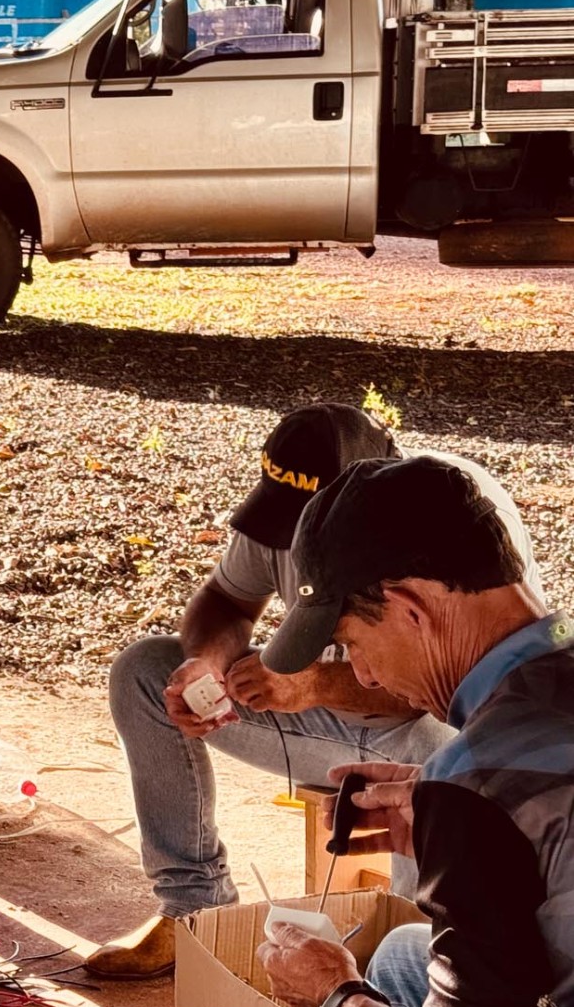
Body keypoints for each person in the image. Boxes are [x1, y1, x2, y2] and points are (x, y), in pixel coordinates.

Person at [60, 455, 574, 1007]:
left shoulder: (475, 782)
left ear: (411, 609)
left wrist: (338, 995)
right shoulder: (549, 685)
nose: (360, 675)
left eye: (356, 645)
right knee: (404, 955)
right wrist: (442, 812)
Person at [87, 404, 542, 977]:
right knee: (145, 671)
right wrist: (209, 663)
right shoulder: (286, 512)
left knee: (443, 762)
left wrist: (319, 684)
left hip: (417, 729)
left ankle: (419, 950)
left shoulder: (448, 520)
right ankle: (194, 910)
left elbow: (462, 697)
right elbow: (226, 599)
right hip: (329, 727)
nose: (293, 540)